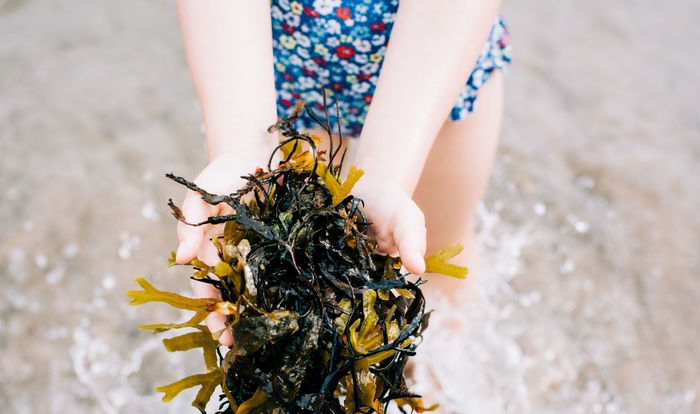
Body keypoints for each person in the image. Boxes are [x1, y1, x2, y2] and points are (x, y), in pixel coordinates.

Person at [173, 0, 510, 345]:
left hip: (438, 59)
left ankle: (445, 378)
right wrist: (242, 147)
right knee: (276, 272)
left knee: (437, 248)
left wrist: (387, 174)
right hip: (273, 65)